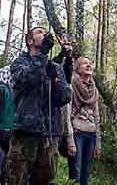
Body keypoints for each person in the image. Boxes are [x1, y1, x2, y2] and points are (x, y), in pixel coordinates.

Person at [6, 27, 71, 185]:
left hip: (49, 134)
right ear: (30, 41)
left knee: (45, 181)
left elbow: (64, 97)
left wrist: (57, 80)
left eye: (44, 32)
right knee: (17, 179)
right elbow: (28, 79)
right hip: (25, 131)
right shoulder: (20, 62)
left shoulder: (53, 67)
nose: (44, 34)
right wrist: (42, 54)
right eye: (39, 32)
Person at [62, 56, 101, 185]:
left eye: (90, 63)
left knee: (86, 176)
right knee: (75, 175)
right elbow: (66, 113)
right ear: (77, 68)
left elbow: (96, 116)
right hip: (76, 133)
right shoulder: (71, 86)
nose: (88, 65)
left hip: (91, 134)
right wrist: (70, 140)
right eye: (84, 63)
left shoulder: (94, 90)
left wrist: (98, 142)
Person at [0, 66, 14, 184]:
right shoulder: (3, 89)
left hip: (8, 130)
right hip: (5, 130)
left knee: (4, 161)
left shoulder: (9, 90)